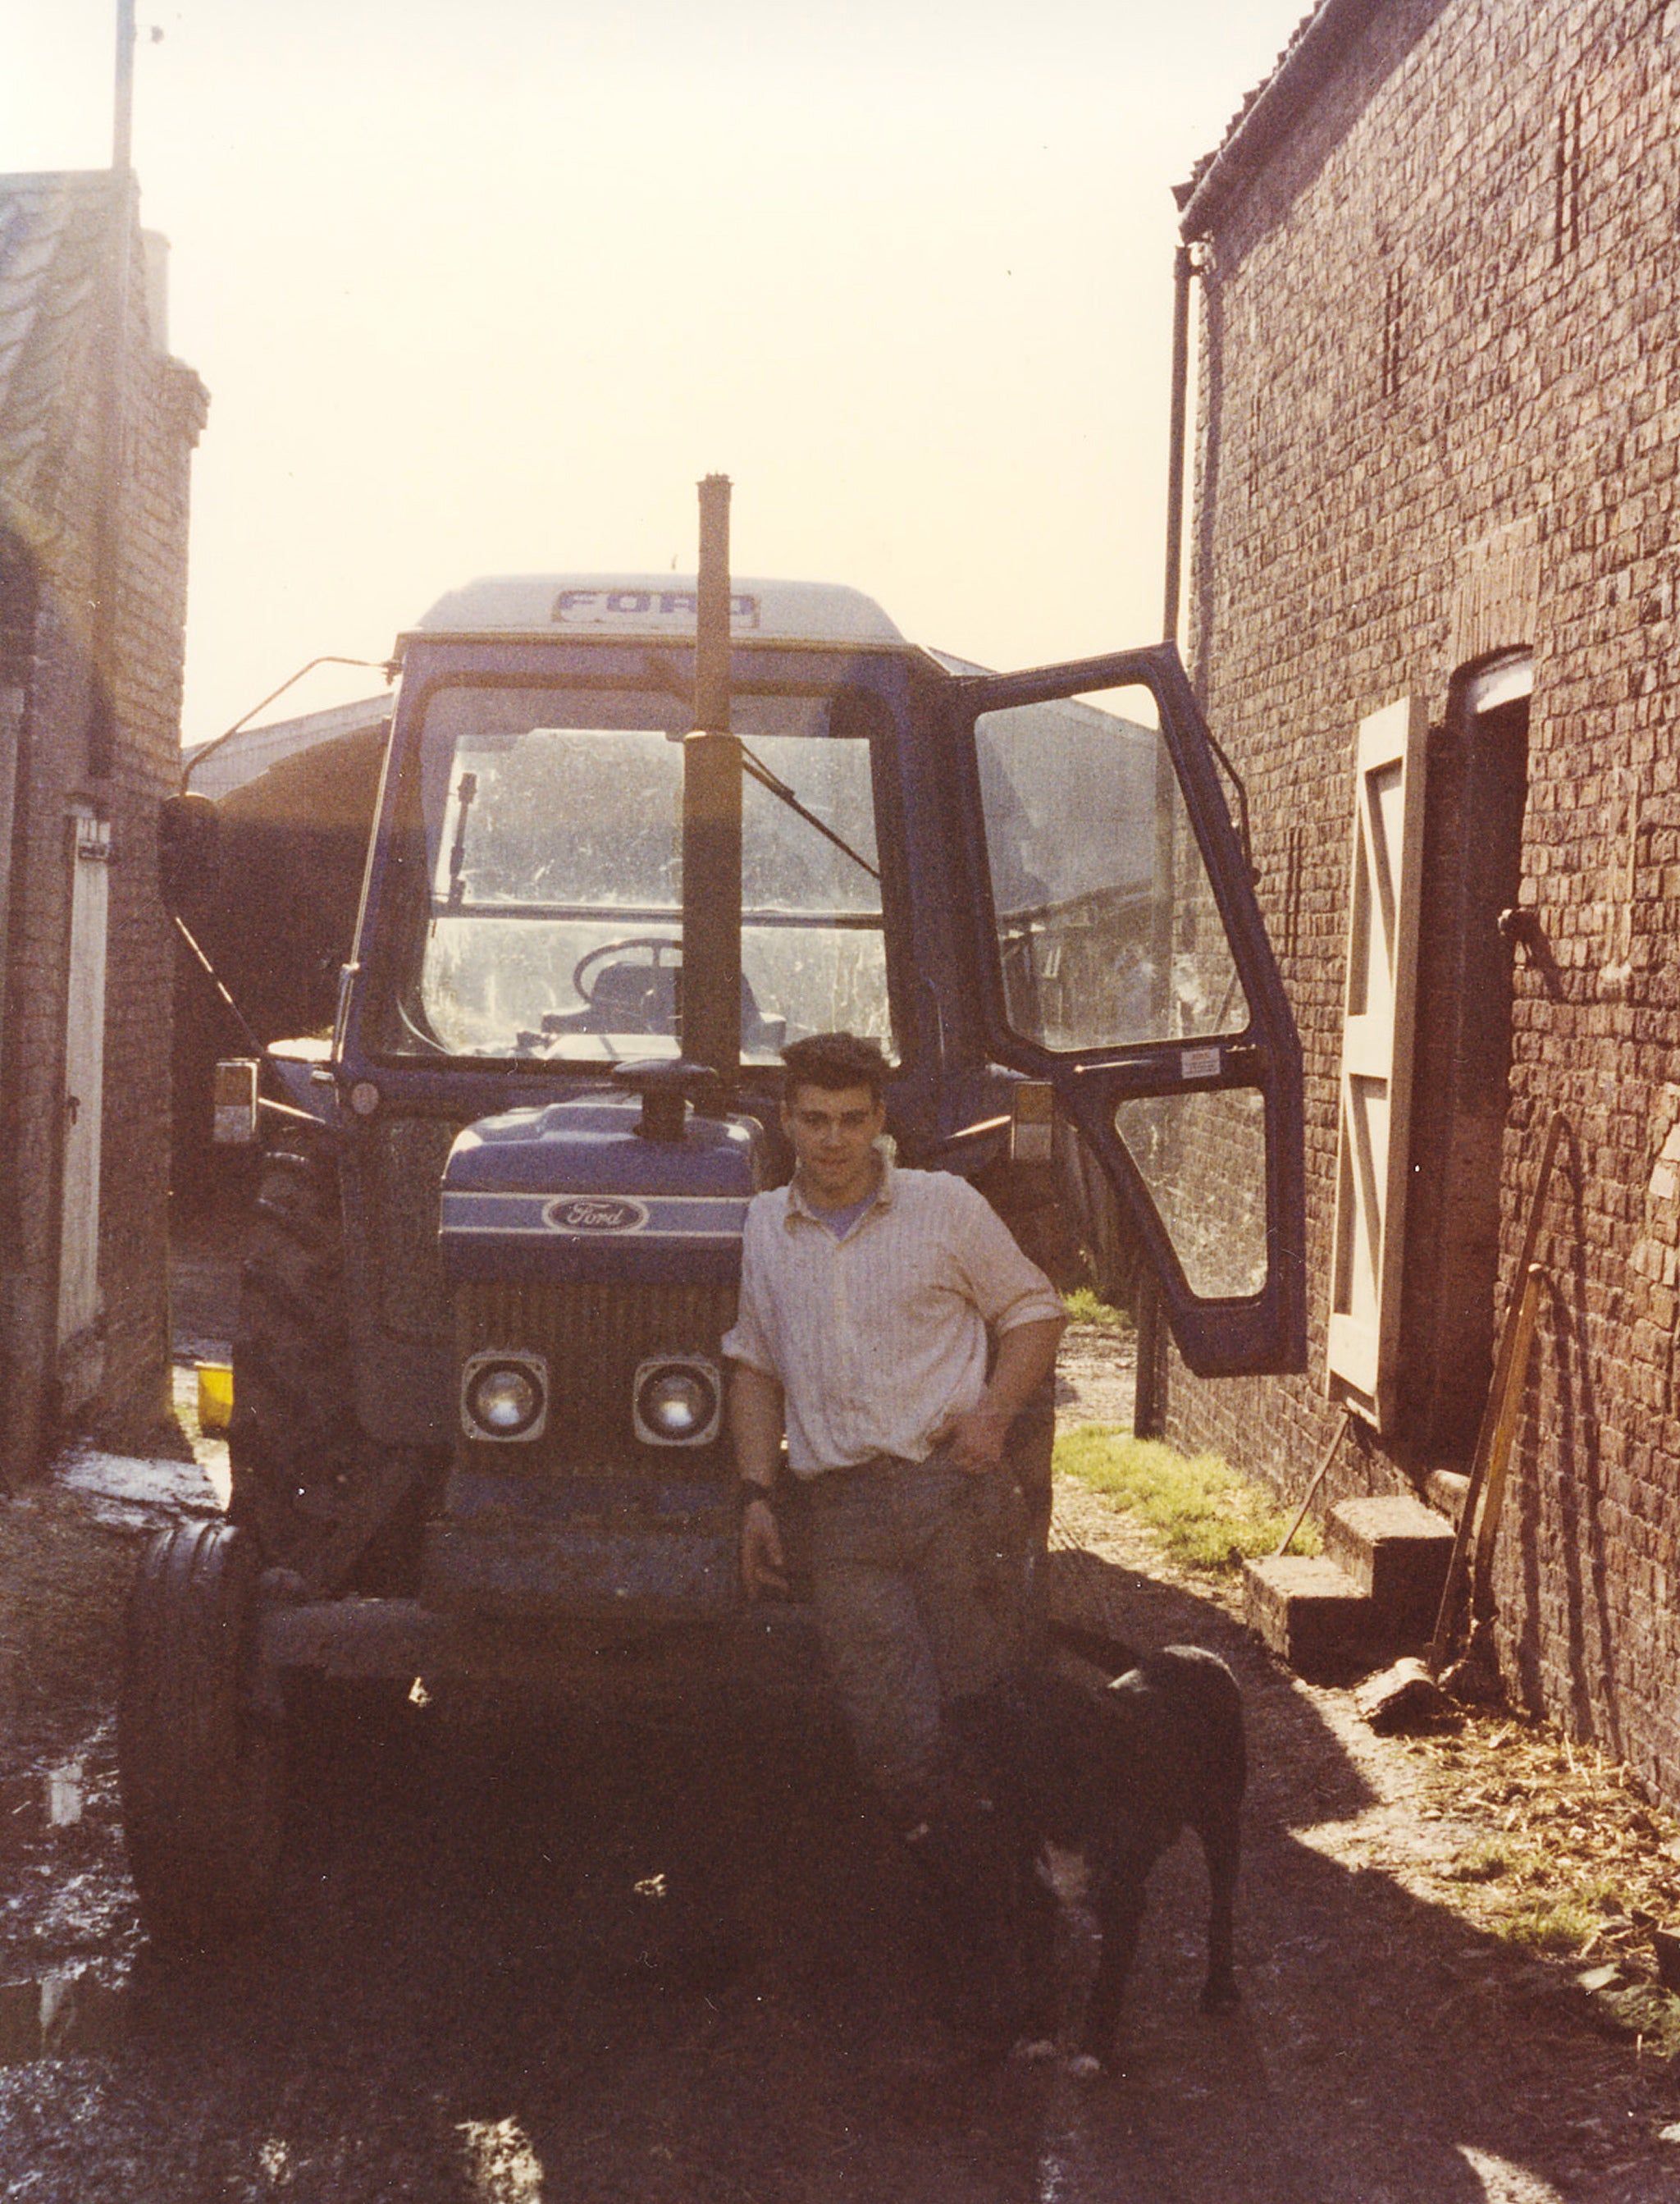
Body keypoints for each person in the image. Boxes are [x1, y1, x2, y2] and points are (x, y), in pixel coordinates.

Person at [722, 1031, 1066, 1833]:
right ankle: (943, 1903)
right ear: (785, 1121)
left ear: (878, 1117)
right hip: (842, 1520)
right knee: (893, 1738)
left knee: (988, 1716)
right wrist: (754, 1497)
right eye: (814, 1120)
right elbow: (755, 1368)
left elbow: (1034, 1309)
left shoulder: (944, 1207)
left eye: (849, 1118)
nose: (832, 1139)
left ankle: (1019, 1913)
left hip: (954, 1500)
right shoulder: (765, 1227)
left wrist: (990, 1414)